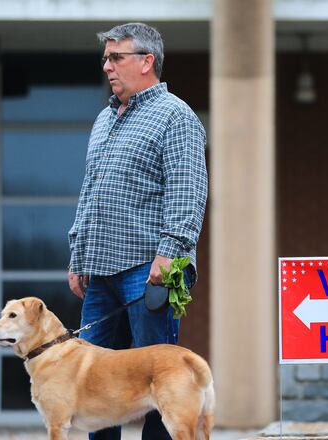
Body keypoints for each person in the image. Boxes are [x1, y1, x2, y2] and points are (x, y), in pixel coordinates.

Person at [67, 22, 208, 440]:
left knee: (157, 387)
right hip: (100, 274)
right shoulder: (104, 119)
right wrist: (78, 257)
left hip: (148, 269)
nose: (106, 66)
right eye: (106, 58)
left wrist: (171, 253)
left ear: (147, 62)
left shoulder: (176, 116)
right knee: (94, 389)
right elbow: (89, 193)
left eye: (116, 57)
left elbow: (189, 190)